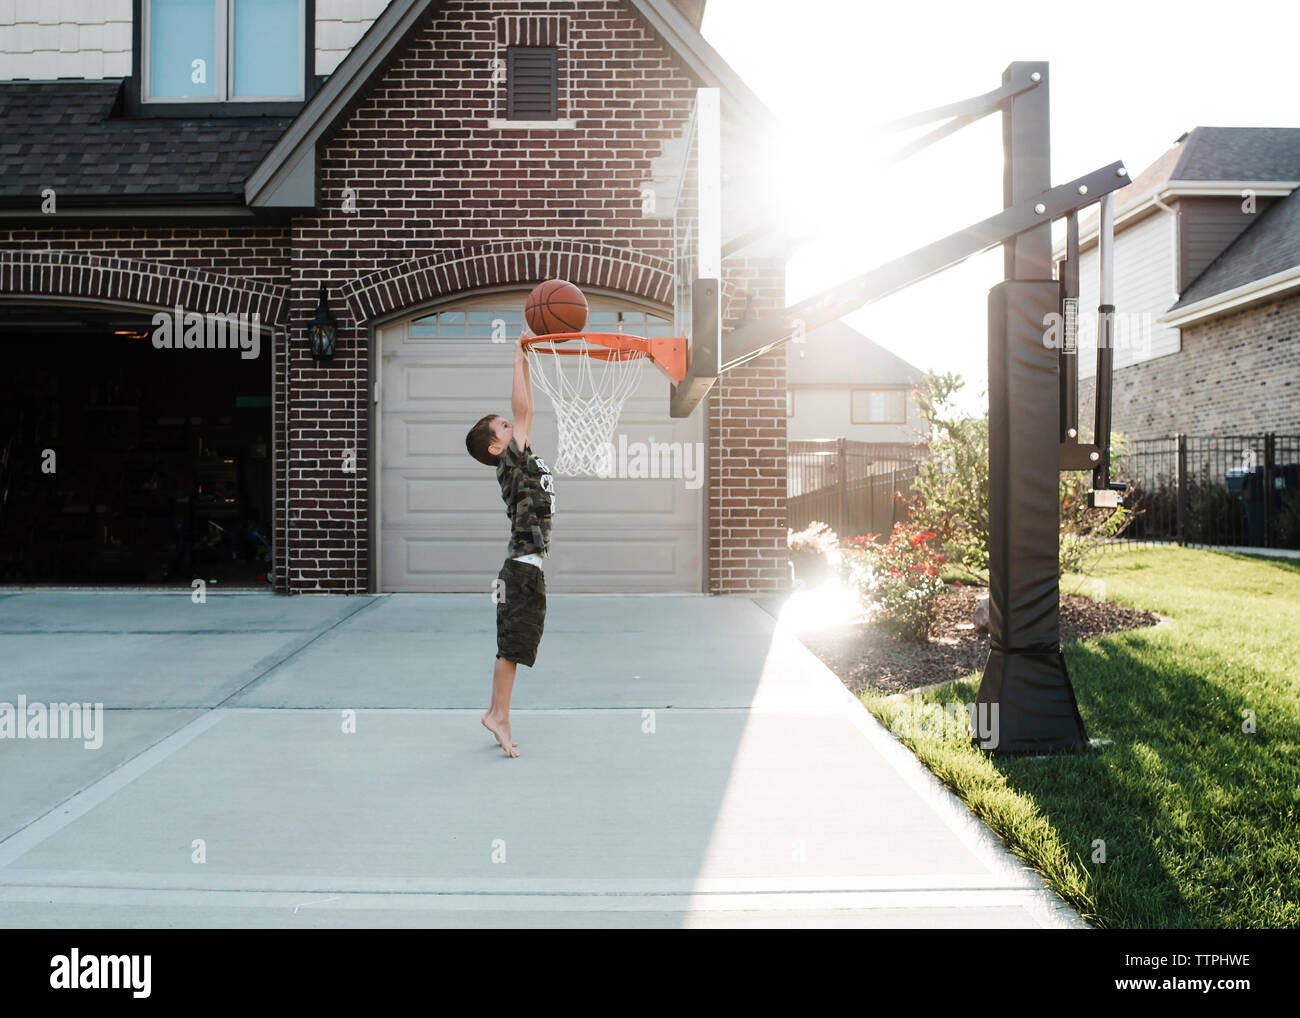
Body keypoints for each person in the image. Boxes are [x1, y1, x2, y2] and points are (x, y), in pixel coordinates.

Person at [463, 327, 554, 757]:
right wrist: (519, 356)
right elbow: (525, 410)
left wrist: (527, 361)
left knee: (515, 645)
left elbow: (524, 414)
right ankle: (497, 716)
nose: (513, 424)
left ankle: (499, 714)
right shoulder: (511, 465)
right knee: (512, 646)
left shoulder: (519, 462)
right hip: (521, 569)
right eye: (505, 426)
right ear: (499, 446)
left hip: (524, 569)